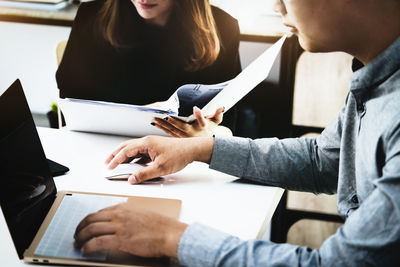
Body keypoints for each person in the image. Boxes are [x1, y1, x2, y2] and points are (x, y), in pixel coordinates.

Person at [73, 0, 400, 266]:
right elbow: (324, 160)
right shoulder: (375, 74)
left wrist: (170, 238)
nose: (277, 7)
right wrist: (202, 148)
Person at [56, 0, 241, 137]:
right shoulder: (91, 16)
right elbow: (73, 109)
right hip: (104, 145)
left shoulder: (223, 28)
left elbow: (227, 123)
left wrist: (206, 129)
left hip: (183, 151)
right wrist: (143, 117)